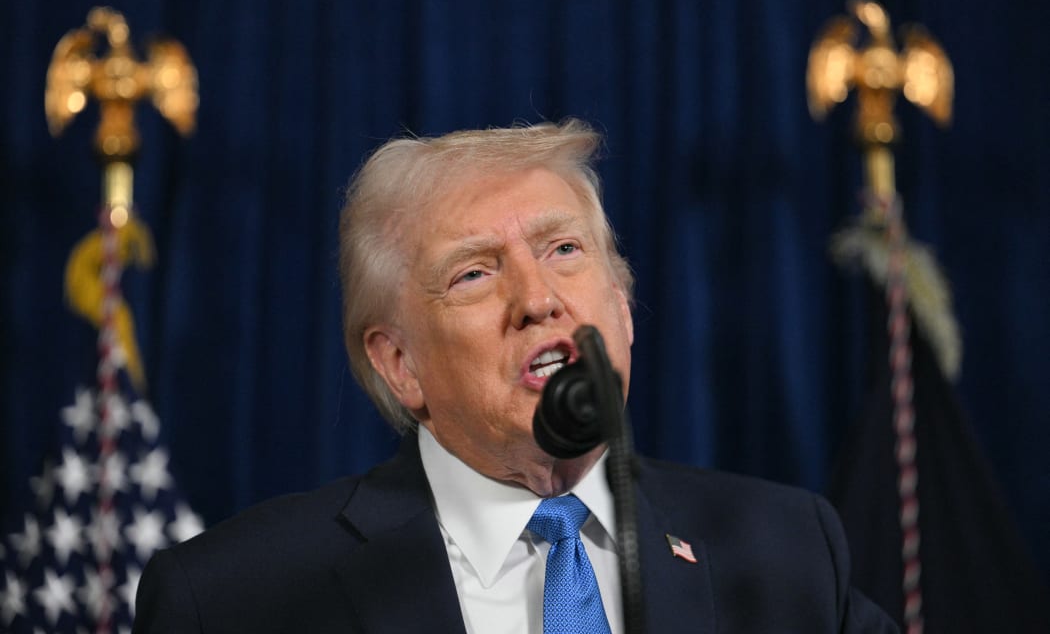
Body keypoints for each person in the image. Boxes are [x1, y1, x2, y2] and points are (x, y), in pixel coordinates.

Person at [133, 120, 898, 633]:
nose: (538, 299)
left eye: (564, 250)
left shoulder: (787, 552)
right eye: (472, 273)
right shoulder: (237, 600)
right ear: (400, 365)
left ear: (625, 310)